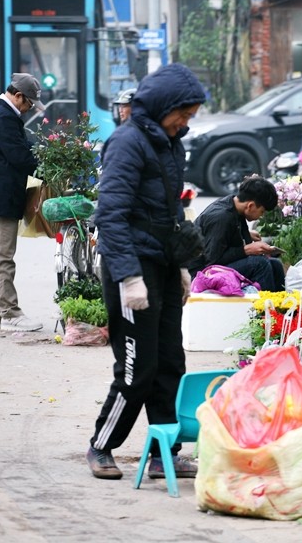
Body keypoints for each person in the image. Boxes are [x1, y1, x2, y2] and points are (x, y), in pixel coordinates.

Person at [86, 63, 206, 480]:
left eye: (190, 116)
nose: (184, 122)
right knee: (137, 370)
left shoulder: (171, 144)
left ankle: (163, 455)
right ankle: (102, 446)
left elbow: (172, 209)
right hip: (131, 268)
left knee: (172, 362)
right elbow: (111, 214)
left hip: (163, 263)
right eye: (182, 114)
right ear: (161, 106)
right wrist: (128, 276)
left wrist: (182, 267)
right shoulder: (126, 143)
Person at [0, 73, 45, 332]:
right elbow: (19, 156)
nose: (28, 110)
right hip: (1, 194)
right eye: (28, 104)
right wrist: (44, 167)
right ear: (17, 96)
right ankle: (10, 313)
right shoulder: (4, 117)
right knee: (3, 256)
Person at [188, 175, 285, 292]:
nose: (261, 216)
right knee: (260, 264)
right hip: (201, 273)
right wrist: (247, 250)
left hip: (215, 264)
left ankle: (280, 305)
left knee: (276, 265)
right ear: (250, 206)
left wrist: (246, 234)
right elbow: (212, 261)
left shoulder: (235, 205)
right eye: (262, 211)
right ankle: (263, 308)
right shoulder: (221, 217)